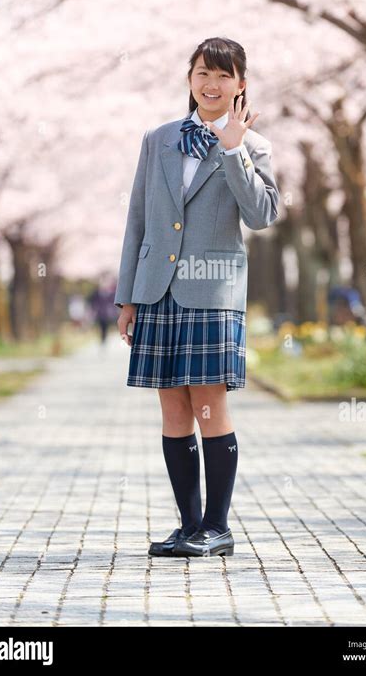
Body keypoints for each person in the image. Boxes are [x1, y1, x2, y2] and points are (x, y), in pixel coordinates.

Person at [114, 37, 279, 558]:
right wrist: (127, 297)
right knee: (173, 408)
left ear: (241, 85)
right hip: (157, 290)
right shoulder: (157, 139)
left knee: (209, 402)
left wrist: (233, 149)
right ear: (190, 79)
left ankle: (218, 526)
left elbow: (261, 215)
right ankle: (188, 526)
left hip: (213, 291)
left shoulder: (253, 146)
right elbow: (137, 220)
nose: (212, 84)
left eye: (225, 76)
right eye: (204, 73)